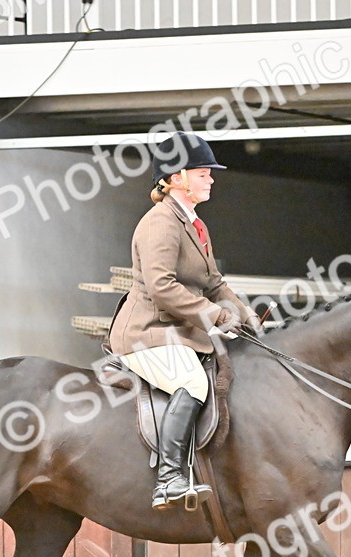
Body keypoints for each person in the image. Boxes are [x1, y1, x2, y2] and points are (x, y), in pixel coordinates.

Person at [108, 133, 261, 510]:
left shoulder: (194, 224)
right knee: (191, 381)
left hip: (178, 331)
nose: (211, 179)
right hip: (147, 333)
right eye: (203, 173)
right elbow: (161, 287)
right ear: (177, 178)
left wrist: (247, 317)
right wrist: (217, 315)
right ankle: (169, 478)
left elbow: (215, 283)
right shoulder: (160, 223)